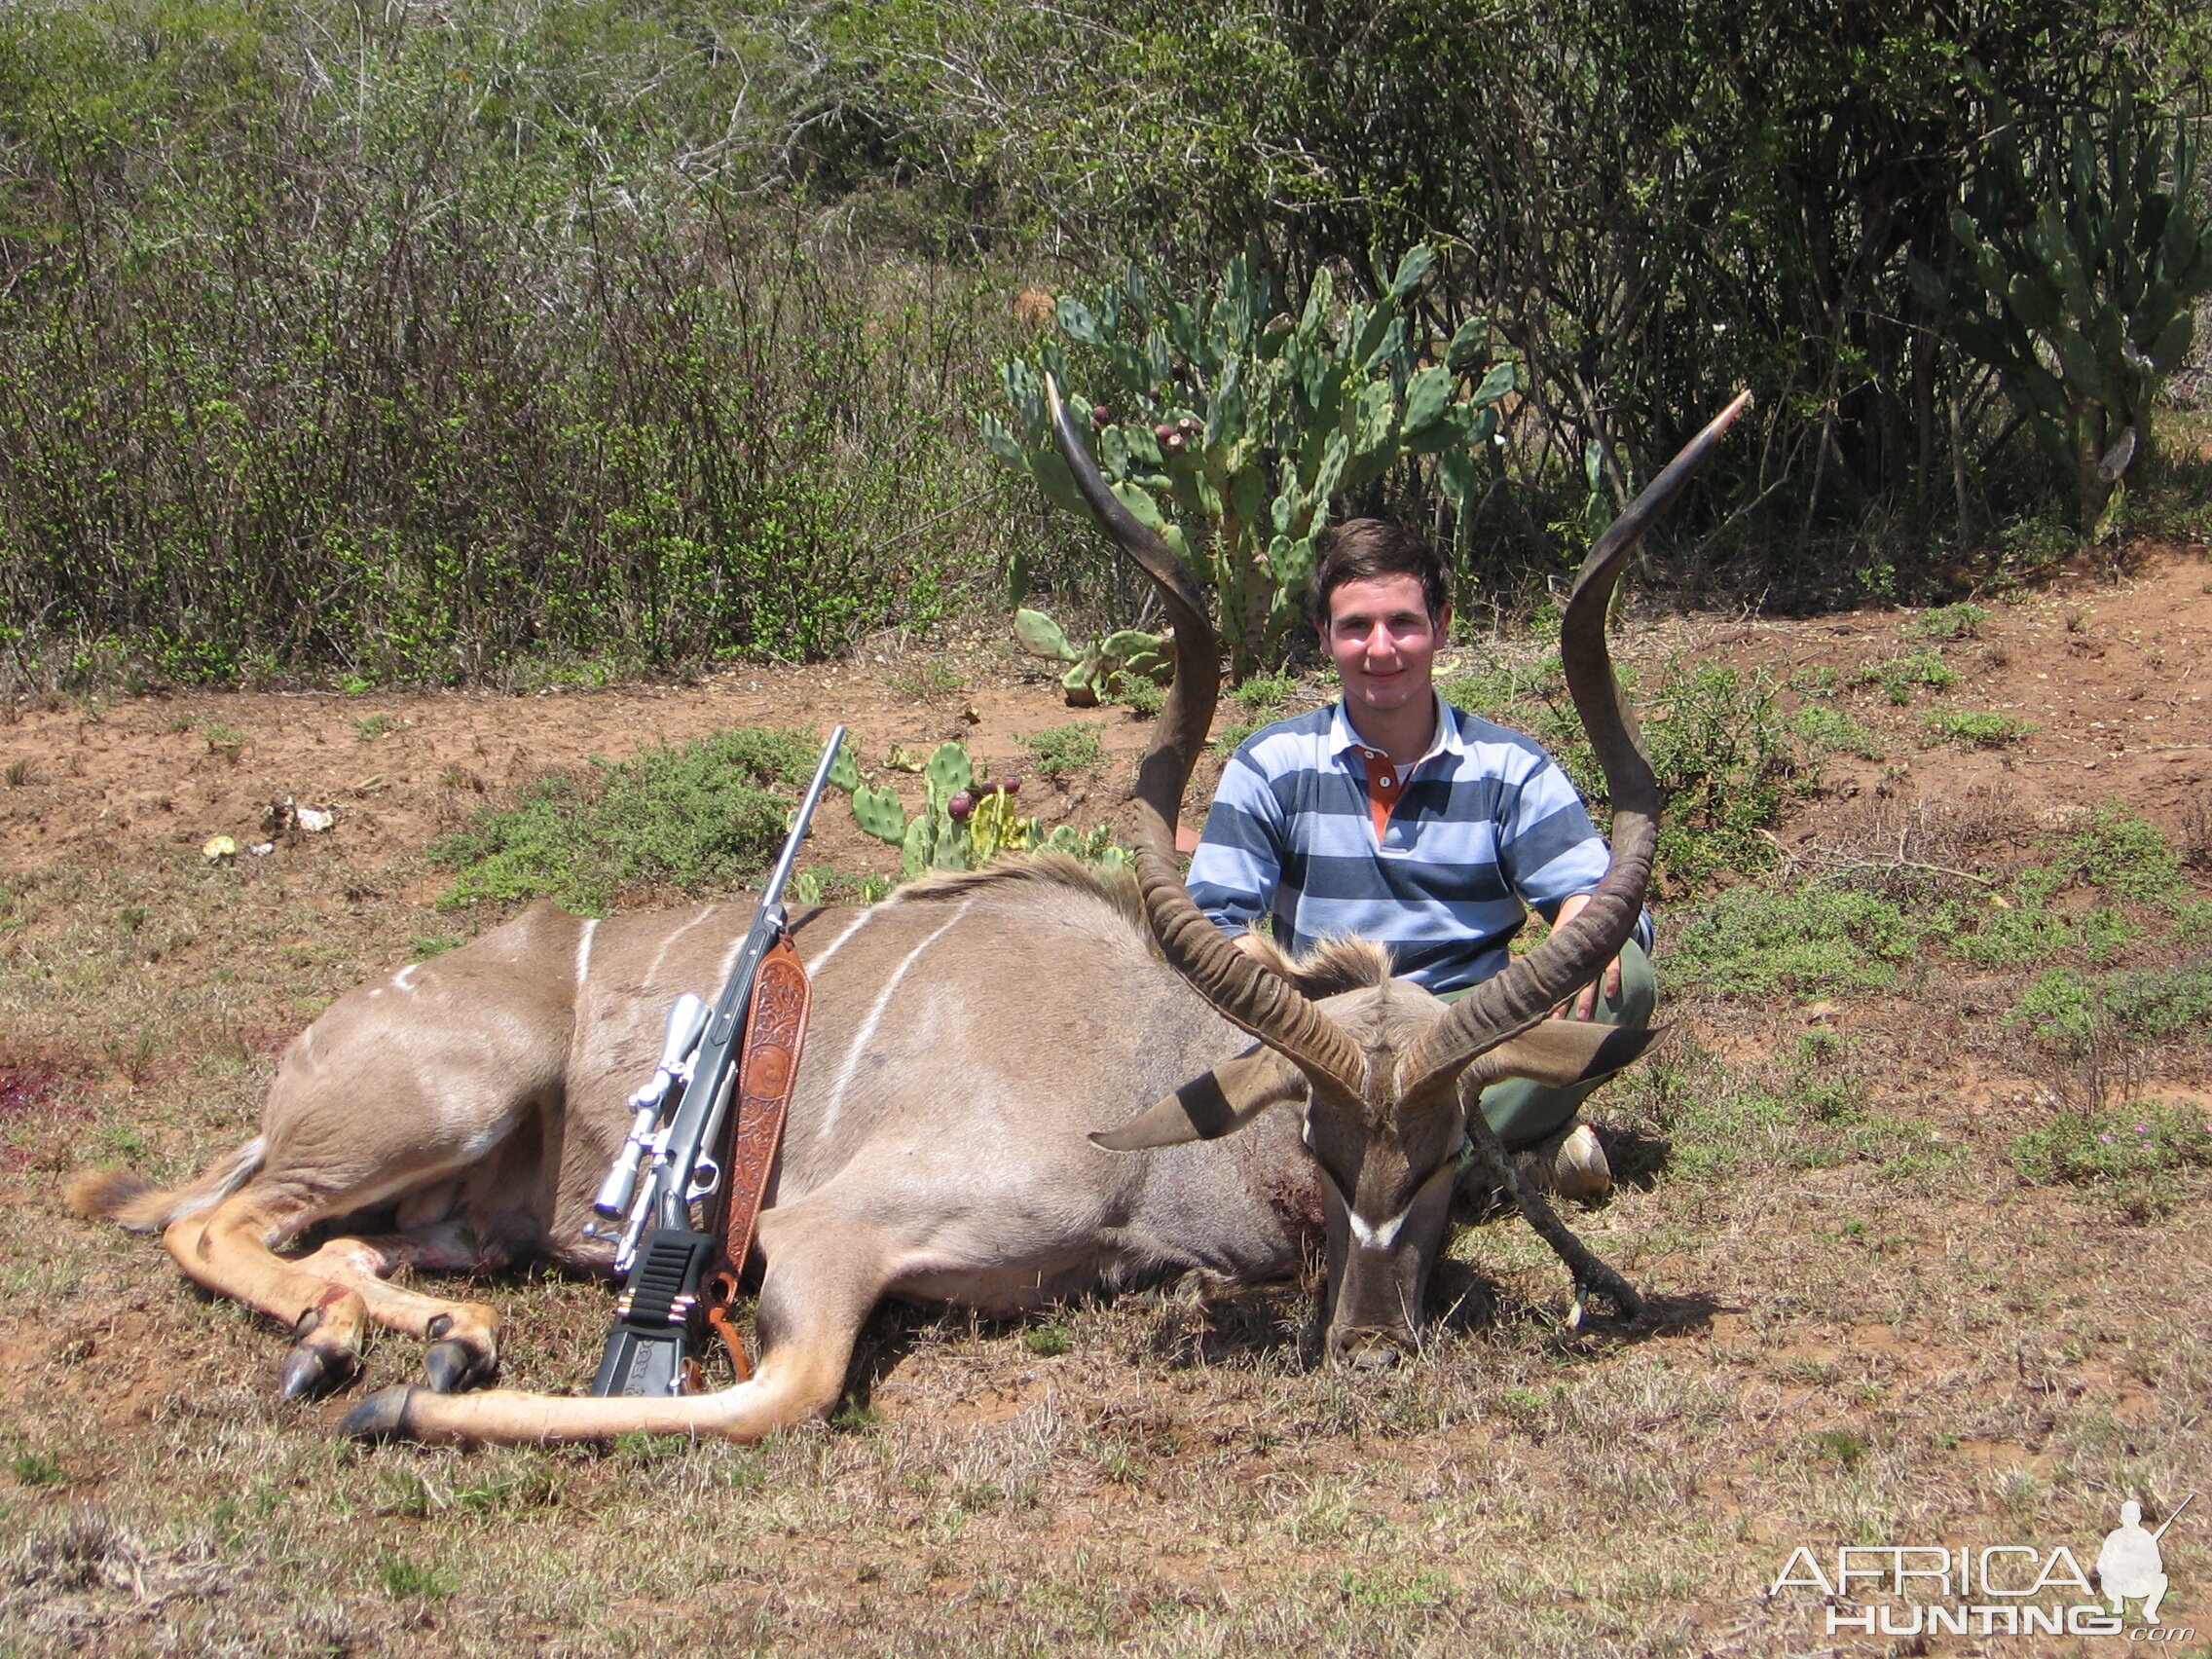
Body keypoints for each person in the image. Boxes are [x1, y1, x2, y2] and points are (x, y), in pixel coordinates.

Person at [1186, 518, 1653, 1198]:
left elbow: (1610, 905)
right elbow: (1207, 925)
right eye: (1355, 627)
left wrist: (1587, 909)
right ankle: (1492, 1172)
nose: (1381, 649)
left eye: (1403, 623)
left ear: (1441, 625)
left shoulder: (1509, 767)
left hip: (1459, 1038)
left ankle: (1375, 1184)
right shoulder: (1272, 763)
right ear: (1324, 636)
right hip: (1328, 1042)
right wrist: (1244, 961)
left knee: (1624, 975)